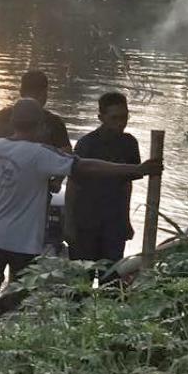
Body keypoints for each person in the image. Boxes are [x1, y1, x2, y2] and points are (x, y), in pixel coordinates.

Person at [0, 100, 161, 314]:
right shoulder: (40, 154)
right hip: (22, 240)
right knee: (20, 292)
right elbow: (85, 166)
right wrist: (136, 169)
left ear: (13, 123)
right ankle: (6, 324)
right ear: (41, 125)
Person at [66, 92, 143, 274]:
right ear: (101, 117)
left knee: (111, 275)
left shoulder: (129, 144)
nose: (120, 123)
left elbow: (127, 184)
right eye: (114, 118)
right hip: (85, 221)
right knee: (83, 276)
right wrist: (68, 224)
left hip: (114, 222)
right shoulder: (87, 145)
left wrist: (126, 220)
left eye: (124, 117)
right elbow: (72, 185)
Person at [0, 69, 73, 158]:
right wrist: (53, 177)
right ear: (44, 94)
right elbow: (67, 157)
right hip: (38, 177)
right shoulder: (53, 122)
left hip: (5, 175)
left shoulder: (1, 116)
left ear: (21, 92)